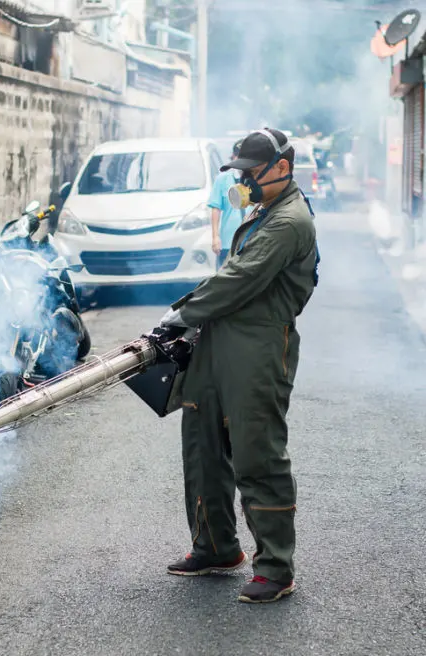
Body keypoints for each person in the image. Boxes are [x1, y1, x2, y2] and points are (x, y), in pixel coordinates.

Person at [155, 128, 320, 604]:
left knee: (256, 452)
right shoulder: (263, 211)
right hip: (219, 339)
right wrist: (192, 323)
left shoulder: (289, 221)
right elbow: (230, 277)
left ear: (281, 169)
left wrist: (183, 312)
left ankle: (275, 566)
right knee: (201, 443)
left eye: (250, 172)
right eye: (239, 172)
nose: (243, 180)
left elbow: (240, 277)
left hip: (259, 345)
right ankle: (215, 547)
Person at [207, 140, 248, 268]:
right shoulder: (223, 179)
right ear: (233, 157)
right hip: (228, 241)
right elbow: (216, 209)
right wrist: (215, 237)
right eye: (238, 156)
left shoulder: (257, 179)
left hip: (253, 241)